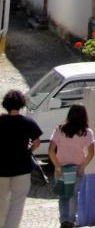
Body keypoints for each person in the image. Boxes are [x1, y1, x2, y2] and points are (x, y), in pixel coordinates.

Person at [0, 89, 42, 228]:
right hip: (22, 167)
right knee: (17, 202)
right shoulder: (28, 122)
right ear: (21, 104)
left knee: (1, 201)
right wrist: (28, 151)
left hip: (1, 169)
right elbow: (37, 142)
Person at [48, 104, 95, 228]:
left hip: (61, 169)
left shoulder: (59, 129)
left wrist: (57, 167)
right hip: (76, 169)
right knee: (74, 196)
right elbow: (92, 152)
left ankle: (64, 221)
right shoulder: (87, 132)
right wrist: (83, 166)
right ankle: (71, 221)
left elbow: (51, 150)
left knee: (63, 196)